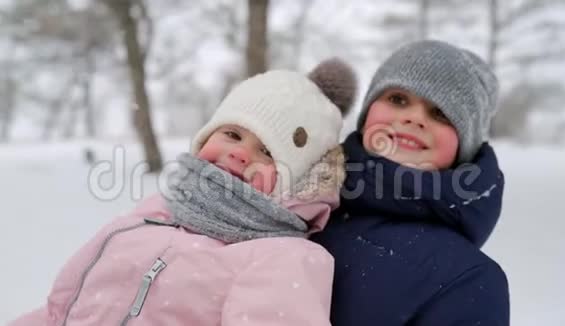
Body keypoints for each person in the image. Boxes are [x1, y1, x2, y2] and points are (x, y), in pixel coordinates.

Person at [7, 58, 356, 326]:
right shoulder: (156, 211)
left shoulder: (284, 257)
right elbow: (61, 310)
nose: (239, 153)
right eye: (232, 135)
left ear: (295, 180)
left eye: (267, 152)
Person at [311, 40, 510, 325]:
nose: (414, 118)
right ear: (367, 114)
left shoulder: (467, 279)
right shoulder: (296, 202)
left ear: (464, 146)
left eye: (441, 112)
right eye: (398, 99)